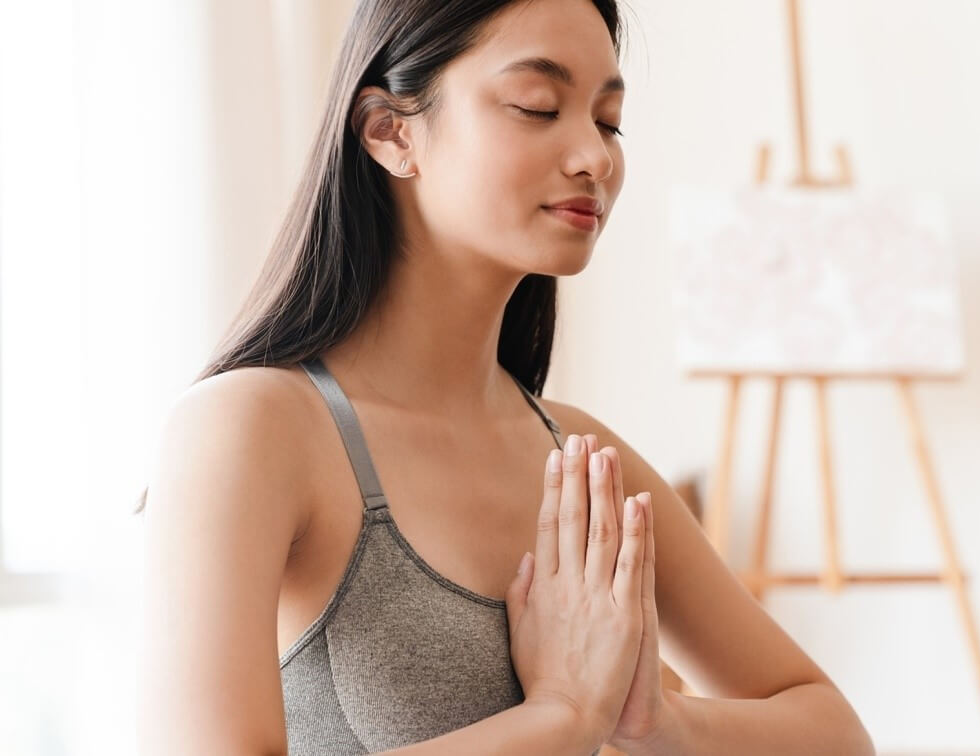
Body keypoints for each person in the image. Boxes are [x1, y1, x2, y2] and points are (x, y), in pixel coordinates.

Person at [136, 0, 875, 753]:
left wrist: (655, 721)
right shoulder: (253, 427)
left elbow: (835, 734)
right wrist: (560, 716)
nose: (595, 156)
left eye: (607, 119)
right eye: (537, 106)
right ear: (391, 132)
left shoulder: (584, 457)